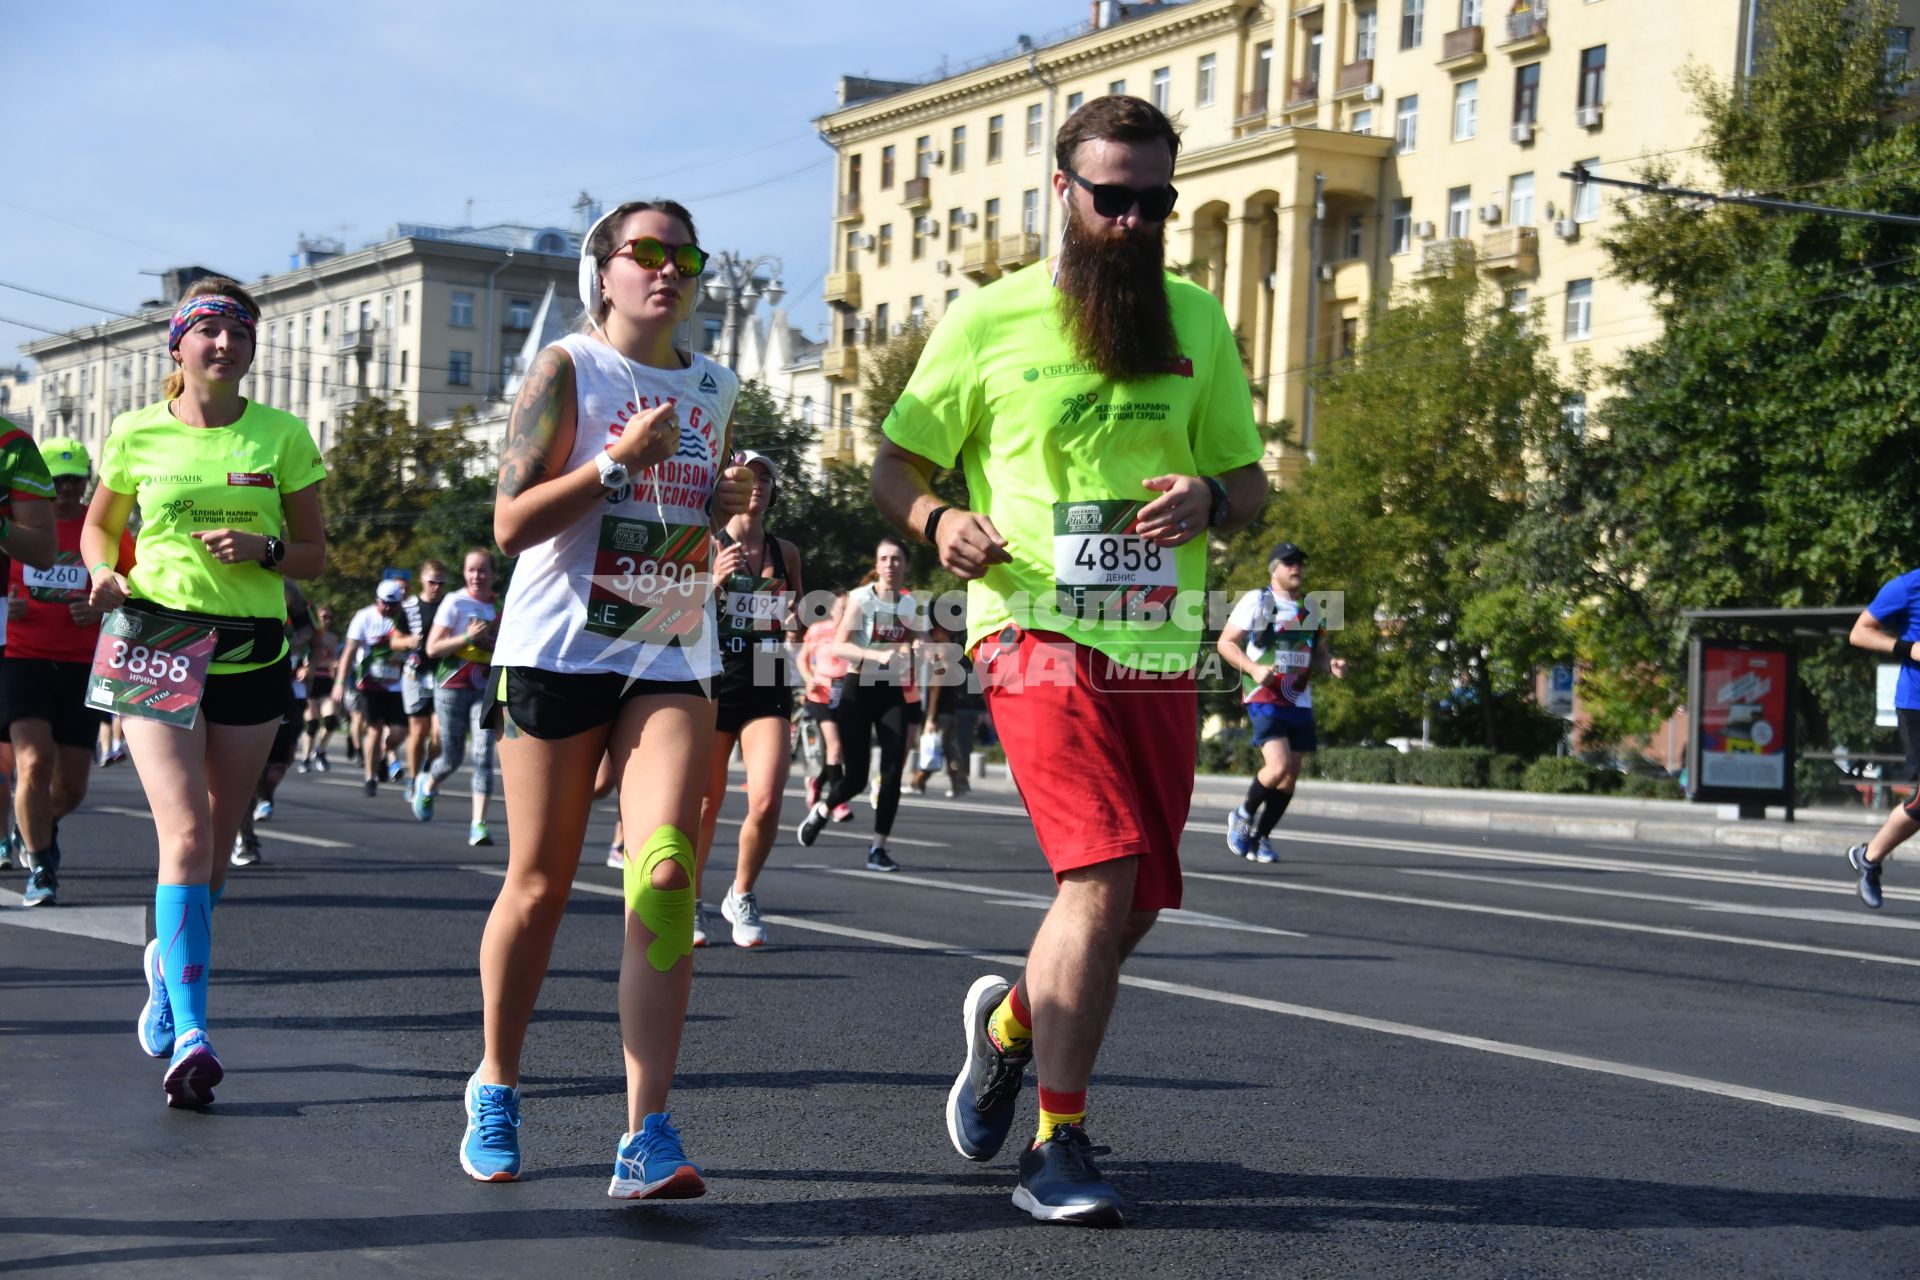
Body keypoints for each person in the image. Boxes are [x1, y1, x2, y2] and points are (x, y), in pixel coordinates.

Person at [871, 96, 1267, 1225]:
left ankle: (1006, 1028)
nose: (1135, 221)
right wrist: (939, 517)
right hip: (1031, 627)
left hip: (1153, 641)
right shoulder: (988, 320)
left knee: (1135, 896)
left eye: (1156, 201)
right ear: (1062, 194)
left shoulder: (1197, 317)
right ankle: (1059, 1140)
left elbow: (1250, 480)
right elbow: (894, 467)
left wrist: (1213, 497)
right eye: (1113, 199)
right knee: (1097, 873)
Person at [462, 198, 752, 1194]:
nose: (667, 270)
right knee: (539, 885)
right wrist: (611, 463)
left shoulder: (716, 383)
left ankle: (647, 1133)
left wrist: (729, 509)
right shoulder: (566, 369)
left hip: (668, 640)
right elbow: (510, 524)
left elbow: (695, 512)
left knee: (666, 875)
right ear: (605, 271)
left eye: (684, 256)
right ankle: (496, 1078)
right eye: (646, 254)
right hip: (555, 648)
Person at [83, 275, 326, 1107]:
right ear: (178, 346)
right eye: (211, 331)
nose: (227, 345)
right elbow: (99, 525)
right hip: (155, 635)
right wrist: (100, 574)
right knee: (183, 833)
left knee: (218, 845)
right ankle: (193, 1032)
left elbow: (314, 556)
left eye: (241, 333)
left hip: (252, 649)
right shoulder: (135, 431)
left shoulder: (283, 435)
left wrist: (262, 553)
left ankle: (163, 965)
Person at [4, 437, 130, 903]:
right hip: (22, 658)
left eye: (75, 481)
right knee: (33, 762)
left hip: (83, 665)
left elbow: (137, 586)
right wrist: (6, 608)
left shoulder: (100, 530)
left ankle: (36, 822)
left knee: (72, 787)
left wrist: (104, 611)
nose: (66, 492)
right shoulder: (14, 527)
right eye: (56, 483)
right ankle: (40, 866)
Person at [694, 450, 801, 948]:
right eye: (747, 476)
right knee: (705, 803)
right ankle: (687, 899)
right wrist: (713, 581)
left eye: (765, 477)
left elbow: (795, 618)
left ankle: (742, 893)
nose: (756, 485)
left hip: (768, 672)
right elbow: (672, 611)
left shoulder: (787, 552)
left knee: (767, 798)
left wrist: (799, 625)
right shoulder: (706, 542)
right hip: (714, 673)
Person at [793, 538, 927, 871]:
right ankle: (824, 810)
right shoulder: (860, 599)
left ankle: (877, 849)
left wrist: (919, 650)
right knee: (855, 778)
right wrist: (877, 654)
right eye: (884, 559)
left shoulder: (909, 605)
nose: (890, 565)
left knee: (893, 772)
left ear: (906, 565)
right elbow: (840, 647)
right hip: (857, 687)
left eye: (897, 559)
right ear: (877, 565)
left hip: (890, 690)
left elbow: (916, 641)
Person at [1217, 542, 1347, 864]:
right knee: (1278, 766)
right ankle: (1242, 815)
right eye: (1289, 563)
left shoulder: (1312, 610)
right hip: (1264, 696)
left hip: (1298, 699)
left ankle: (1261, 838)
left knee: (1290, 776)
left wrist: (1331, 664)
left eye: (1300, 563)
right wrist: (1253, 669)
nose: (1297, 568)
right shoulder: (1257, 600)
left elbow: (1316, 654)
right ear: (1274, 568)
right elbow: (1225, 643)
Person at [0, 419, 61, 889]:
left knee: (47, 769)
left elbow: (43, 549)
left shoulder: (12, 445)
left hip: (34, 646)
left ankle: (34, 844)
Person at [413, 548, 501, 847]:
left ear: (493, 573)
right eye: (471, 570)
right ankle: (428, 782)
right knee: (451, 757)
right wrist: (467, 638)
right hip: (451, 687)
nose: (477, 576)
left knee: (483, 754)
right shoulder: (454, 601)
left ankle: (479, 824)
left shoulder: (501, 606)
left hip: (485, 688)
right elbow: (432, 649)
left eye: (482, 570)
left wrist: (491, 642)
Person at [1845, 569, 1920, 908]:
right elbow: (1859, 633)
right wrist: (1910, 648)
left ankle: (1868, 857)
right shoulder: (1907, 586)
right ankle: (1870, 858)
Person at [234, 580, 315, 866]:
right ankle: (244, 838)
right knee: (242, 768)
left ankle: (260, 798)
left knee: (281, 759)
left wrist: (288, 645)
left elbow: (308, 628)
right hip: (227, 678)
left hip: (274, 680)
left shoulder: (288, 589)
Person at [339, 579, 415, 797]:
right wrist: (339, 683)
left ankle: (386, 750)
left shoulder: (405, 617)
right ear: (377, 601)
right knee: (374, 730)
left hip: (398, 684)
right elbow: (349, 652)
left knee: (400, 732)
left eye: (394, 604)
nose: (389, 609)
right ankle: (370, 778)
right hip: (370, 683)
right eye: (385, 604)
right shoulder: (364, 617)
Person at [795, 590, 854, 822]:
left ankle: (817, 782)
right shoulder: (819, 630)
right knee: (835, 747)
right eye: (842, 608)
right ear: (833, 609)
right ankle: (838, 802)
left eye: (850, 609)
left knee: (839, 752)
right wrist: (809, 679)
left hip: (847, 696)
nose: (845, 613)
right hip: (820, 694)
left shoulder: (857, 634)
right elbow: (802, 658)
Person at [909, 621, 982, 798]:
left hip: (940, 715)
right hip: (948, 713)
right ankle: (960, 785)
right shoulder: (947, 665)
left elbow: (935, 694)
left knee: (931, 748)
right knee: (949, 749)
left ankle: (918, 782)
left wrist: (930, 719)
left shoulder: (941, 667)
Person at [400, 559, 451, 794]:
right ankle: (413, 778)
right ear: (422, 579)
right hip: (415, 674)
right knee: (418, 732)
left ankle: (428, 769)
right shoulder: (409, 606)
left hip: (442, 673)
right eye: (432, 582)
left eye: (441, 582)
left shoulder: (450, 606)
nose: (436, 587)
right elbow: (394, 640)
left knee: (440, 735)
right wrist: (408, 641)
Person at [299, 603, 340, 771]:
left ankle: (321, 750)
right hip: (309, 681)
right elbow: (299, 655)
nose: (327, 621)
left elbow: (333, 659)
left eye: (329, 617)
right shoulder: (307, 635)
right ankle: (306, 758)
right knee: (312, 723)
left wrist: (336, 669)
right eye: (324, 617)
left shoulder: (332, 638)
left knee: (331, 720)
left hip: (325, 681)